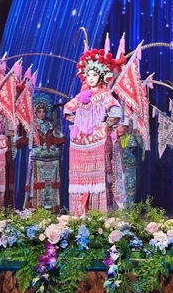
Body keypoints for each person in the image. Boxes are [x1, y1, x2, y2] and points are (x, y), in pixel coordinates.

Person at [64, 46, 122, 215]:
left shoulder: (105, 95)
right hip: (80, 143)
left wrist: (104, 125)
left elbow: (116, 112)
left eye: (94, 75)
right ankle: (80, 213)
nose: (90, 78)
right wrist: (79, 123)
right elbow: (67, 110)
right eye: (88, 74)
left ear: (101, 76)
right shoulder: (81, 96)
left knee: (99, 178)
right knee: (81, 178)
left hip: (98, 141)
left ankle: (99, 214)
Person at [23, 93, 64, 210]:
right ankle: (36, 207)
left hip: (50, 158)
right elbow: (27, 140)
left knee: (50, 183)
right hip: (38, 157)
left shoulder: (50, 124)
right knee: (37, 182)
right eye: (39, 111)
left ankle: (50, 207)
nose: (41, 114)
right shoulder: (32, 125)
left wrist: (53, 138)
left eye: (43, 111)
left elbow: (59, 138)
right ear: (35, 112)